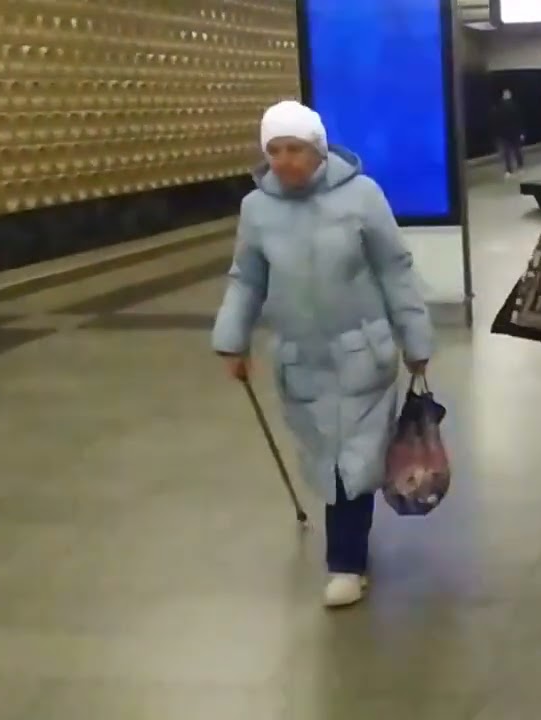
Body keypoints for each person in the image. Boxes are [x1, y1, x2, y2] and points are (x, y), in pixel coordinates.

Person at [211, 100, 433, 608]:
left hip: (363, 354)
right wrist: (232, 339)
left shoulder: (361, 196)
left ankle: (346, 564)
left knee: (350, 464)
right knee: (327, 459)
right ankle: (351, 548)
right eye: (275, 151)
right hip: (301, 361)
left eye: (295, 149)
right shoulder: (257, 209)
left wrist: (416, 341)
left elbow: (395, 269)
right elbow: (247, 278)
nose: (285, 160)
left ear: (317, 148)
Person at [490, 89, 525, 178]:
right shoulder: (514, 106)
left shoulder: (498, 107)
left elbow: (496, 122)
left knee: (507, 154)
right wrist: (521, 133)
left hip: (504, 134)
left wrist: (497, 135)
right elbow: (519, 120)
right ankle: (520, 168)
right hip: (514, 133)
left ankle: (509, 171)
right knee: (517, 151)